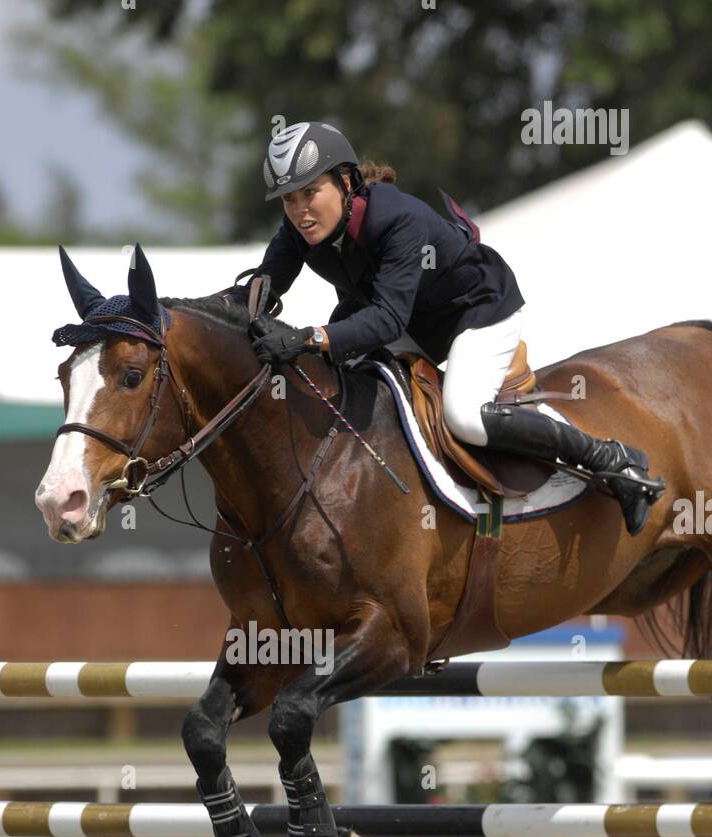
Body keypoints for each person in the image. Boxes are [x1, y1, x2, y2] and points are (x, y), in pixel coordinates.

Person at [239, 120, 663, 535]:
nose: (300, 210)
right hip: (413, 317)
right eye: (289, 199)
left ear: (346, 182)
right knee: (337, 376)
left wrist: (308, 338)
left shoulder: (397, 220)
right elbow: (259, 289)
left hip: (477, 310)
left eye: (311, 192)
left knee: (466, 417)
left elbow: (387, 320)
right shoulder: (299, 228)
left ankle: (611, 458)